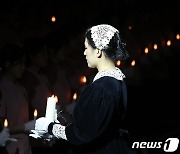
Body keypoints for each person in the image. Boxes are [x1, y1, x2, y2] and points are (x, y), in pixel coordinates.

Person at [31, 24, 129, 154]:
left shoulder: (101, 88)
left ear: (98, 51)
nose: (84, 52)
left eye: (86, 48)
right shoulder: (117, 81)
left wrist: (50, 128)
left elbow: (82, 133)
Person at [0, 43, 35, 154]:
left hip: (25, 146)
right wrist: (25, 127)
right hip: (10, 148)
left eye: (24, 64)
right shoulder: (2, 89)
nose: (23, 68)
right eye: (19, 64)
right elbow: (2, 129)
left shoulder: (21, 88)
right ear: (7, 64)